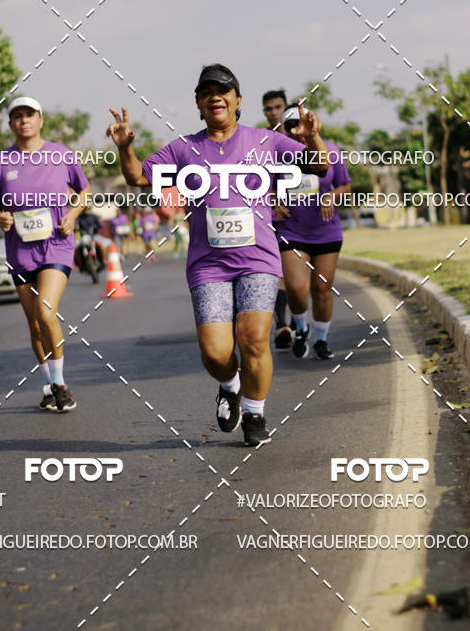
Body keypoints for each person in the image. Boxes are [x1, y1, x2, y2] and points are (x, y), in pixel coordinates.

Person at [107, 64, 330, 446]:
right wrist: (126, 147)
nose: (216, 96)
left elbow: (319, 165)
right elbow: (139, 177)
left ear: (237, 100)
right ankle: (230, 385)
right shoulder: (183, 149)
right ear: (198, 103)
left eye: (223, 90)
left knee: (254, 339)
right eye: (207, 91)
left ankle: (255, 413)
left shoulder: (266, 142)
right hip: (208, 264)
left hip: (258, 259)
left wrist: (312, 140)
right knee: (215, 351)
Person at [0, 96, 91, 412]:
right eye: (17, 116)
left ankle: (60, 384)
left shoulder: (60, 154)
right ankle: (48, 383)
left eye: (29, 115)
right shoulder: (1, 163)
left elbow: (84, 192)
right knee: (34, 324)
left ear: (40, 120)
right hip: (20, 252)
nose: (23, 120)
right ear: (11, 124)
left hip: (56, 245)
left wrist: (72, 215)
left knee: (46, 313)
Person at [274, 103, 351, 360]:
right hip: (291, 231)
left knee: (322, 288)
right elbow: (261, 186)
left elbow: (345, 186)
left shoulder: (330, 150)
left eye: (300, 124)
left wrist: (331, 196)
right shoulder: (276, 154)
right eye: (290, 126)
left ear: (312, 124)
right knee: (296, 288)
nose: (297, 130)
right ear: (284, 129)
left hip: (325, 232)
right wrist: (273, 201)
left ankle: (320, 339)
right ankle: (301, 327)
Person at [262, 89, 293, 348]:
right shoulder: (260, 141)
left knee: (297, 277)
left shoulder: (299, 137)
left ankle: (299, 323)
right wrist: (273, 200)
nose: (273, 112)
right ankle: (282, 323)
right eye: (268, 108)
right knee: (279, 272)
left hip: (302, 218)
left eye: (277, 107)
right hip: (272, 219)